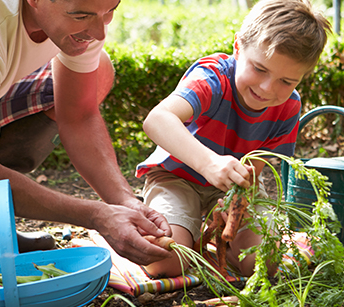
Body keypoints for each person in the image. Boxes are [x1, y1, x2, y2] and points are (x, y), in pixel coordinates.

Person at [0, 0, 173, 287]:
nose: (99, 32)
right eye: (81, 15)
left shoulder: (81, 19)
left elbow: (77, 115)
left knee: (96, 72)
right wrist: (98, 216)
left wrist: (123, 201)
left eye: (110, 10)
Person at [135, 0, 331, 278]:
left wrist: (235, 200)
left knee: (262, 265)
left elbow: (256, 170)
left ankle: (209, 236)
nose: (267, 88)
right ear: (238, 47)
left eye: (286, 81)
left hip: (234, 189)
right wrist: (208, 164)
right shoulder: (212, 77)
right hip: (177, 177)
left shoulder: (289, 108)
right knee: (165, 262)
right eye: (260, 69)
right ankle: (184, 231)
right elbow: (157, 120)